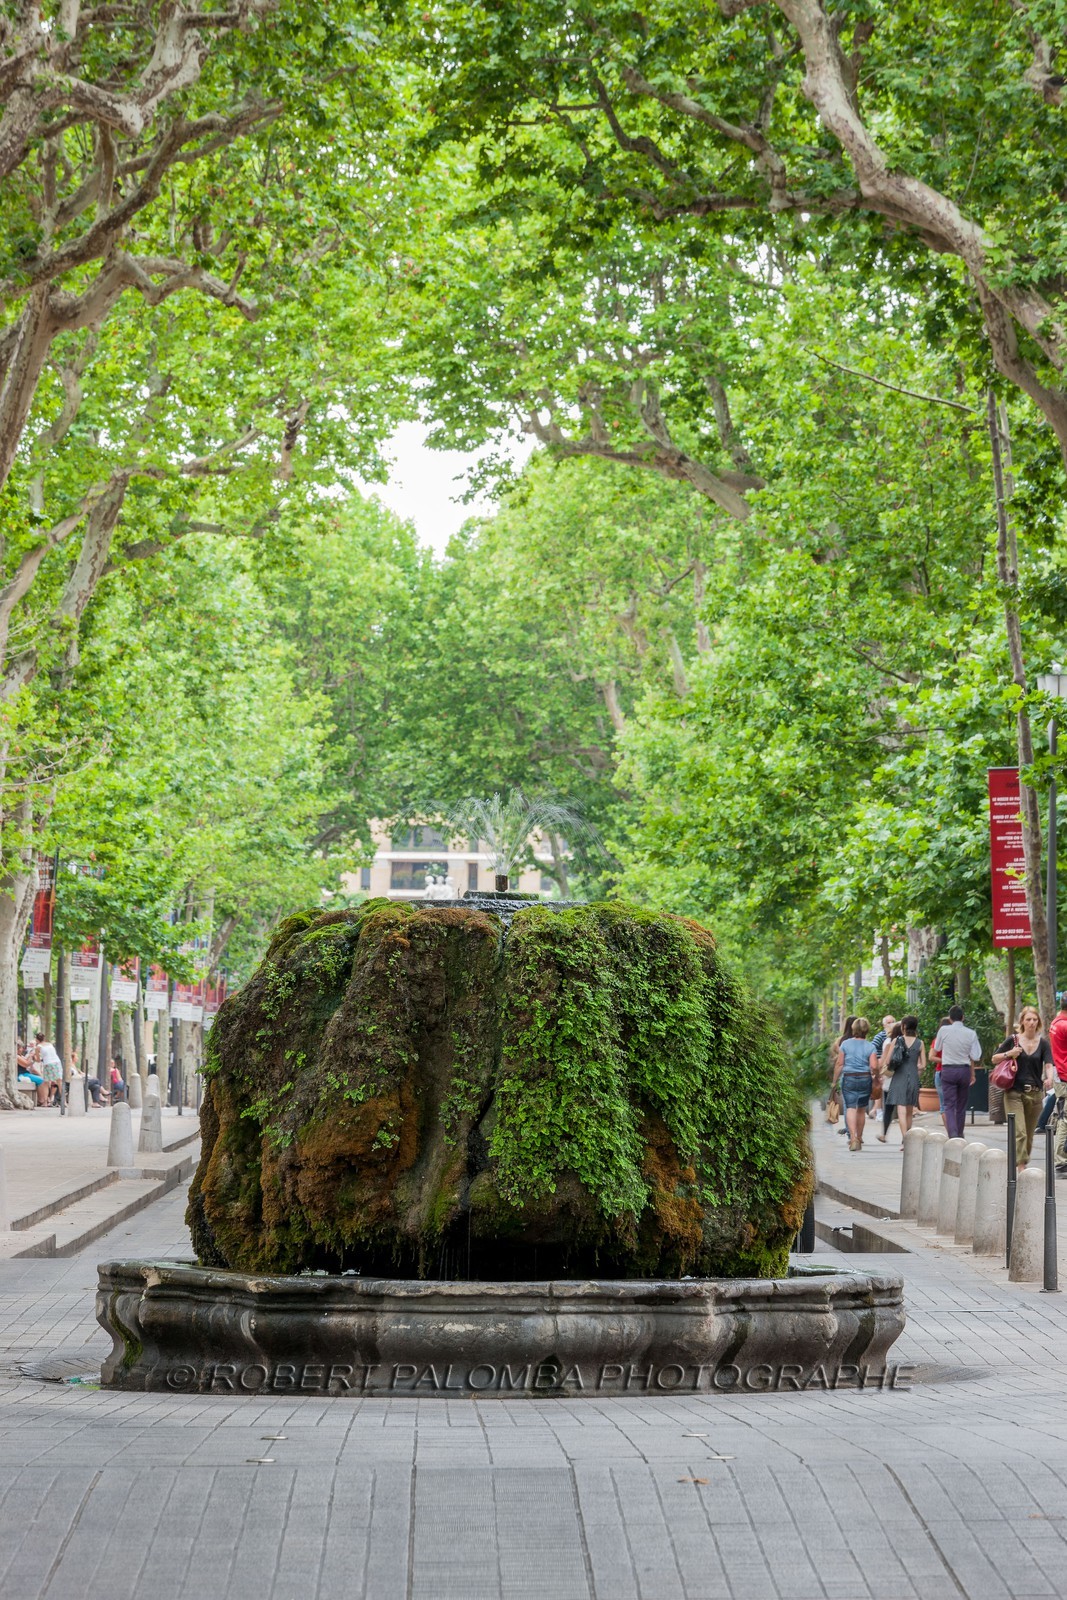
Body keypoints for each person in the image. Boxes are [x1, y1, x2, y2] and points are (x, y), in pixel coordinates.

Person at [993, 1005, 1055, 1171]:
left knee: (1029, 1134)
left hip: (1035, 1094)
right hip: (1014, 1092)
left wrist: (1049, 1078)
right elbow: (994, 1058)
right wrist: (1009, 1053)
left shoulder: (1043, 1043)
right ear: (1022, 1021)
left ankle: (1020, 1162)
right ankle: (1021, 1166)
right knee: (1019, 1132)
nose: (1032, 1022)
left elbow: (1049, 1064)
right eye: (1028, 1019)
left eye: (1035, 1019)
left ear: (1038, 1022)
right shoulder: (1013, 1040)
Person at [932, 1005, 981, 1139]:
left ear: (950, 1018)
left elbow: (937, 1047)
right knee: (961, 1104)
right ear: (963, 1017)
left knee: (949, 1104)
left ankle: (952, 1134)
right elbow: (976, 1055)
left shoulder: (943, 1030)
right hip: (964, 1070)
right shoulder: (971, 1033)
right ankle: (959, 1133)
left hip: (948, 1069)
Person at [832, 1017, 879, 1152]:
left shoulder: (845, 1044)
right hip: (865, 1078)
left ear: (854, 1029)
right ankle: (859, 1137)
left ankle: (852, 1139)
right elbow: (874, 1066)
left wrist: (834, 1081)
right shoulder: (870, 1046)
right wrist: (876, 1076)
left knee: (851, 1108)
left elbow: (839, 1064)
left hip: (849, 1078)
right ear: (867, 1030)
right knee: (861, 1110)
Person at [879, 1016, 924, 1144]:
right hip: (913, 1077)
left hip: (899, 1077)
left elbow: (888, 1061)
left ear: (903, 1026)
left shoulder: (896, 1041)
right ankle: (907, 1139)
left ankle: (905, 1137)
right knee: (909, 1111)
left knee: (901, 1110)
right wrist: (915, 1069)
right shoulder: (920, 1043)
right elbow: (923, 1065)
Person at [1050, 992, 1067, 1177]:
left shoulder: (1056, 1022)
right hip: (1065, 1076)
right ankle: (1061, 1163)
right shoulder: (1064, 1025)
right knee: (1065, 1119)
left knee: (1063, 1116)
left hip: (1060, 1074)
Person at [34, 1031, 63, 1106]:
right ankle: (64, 1101)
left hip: (48, 1064)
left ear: (37, 1040)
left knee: (46, 1082)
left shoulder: (38, 1047)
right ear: (44, 1038)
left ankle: (45, 1102)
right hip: (57, 1062)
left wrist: (33, 1058)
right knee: (59, 1081)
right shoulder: (50, 1044)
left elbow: (38, 1060)